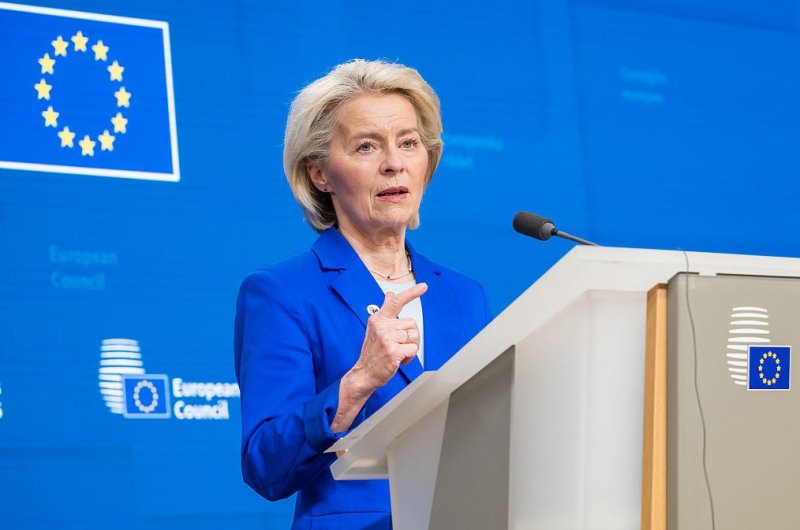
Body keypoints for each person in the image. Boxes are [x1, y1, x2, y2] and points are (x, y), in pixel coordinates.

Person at [234, 59, 491, 530]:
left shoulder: (464, 295)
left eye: (408, 143)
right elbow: (265, 464)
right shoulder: (281, 293)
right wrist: (357, 383)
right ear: (320, 174)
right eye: (367, 146)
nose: (394, 163)